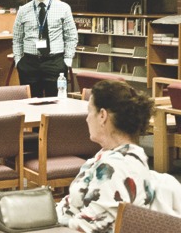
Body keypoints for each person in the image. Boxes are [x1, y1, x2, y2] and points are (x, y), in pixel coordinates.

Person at [56, 80, 155, 232]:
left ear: (102, 115)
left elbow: (89, 226)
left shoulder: (116, 167)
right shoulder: (112, 153)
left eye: (90, 111)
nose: (87, 118)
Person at [12, 0, 77, 98]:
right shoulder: (23, 10)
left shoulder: (63, 8)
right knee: (30, 104)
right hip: (29, 63)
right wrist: (18, 61)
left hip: (54, 62)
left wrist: (67, 60)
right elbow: (17, 38)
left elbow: (71, 36)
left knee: (55, 104)